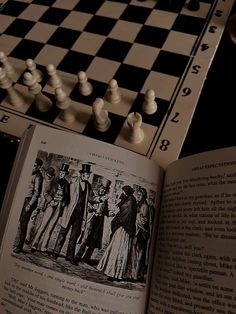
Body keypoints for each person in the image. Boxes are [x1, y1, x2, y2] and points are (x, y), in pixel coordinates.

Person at [51, 164, 94, 265]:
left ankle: (69, 256)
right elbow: (66, 195)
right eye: (86, 174)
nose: (87, 176)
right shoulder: (73, 182)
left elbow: (91, 198)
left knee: (74, 236)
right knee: (63, 232)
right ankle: (55, 252)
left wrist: (99, 199)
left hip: (80, 215)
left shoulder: (88, 186)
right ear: (82, 174)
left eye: (88, 175)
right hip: (70, 211)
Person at [97, 185, 137, 281]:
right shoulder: (128, 199)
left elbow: (125, 214)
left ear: (126, 192)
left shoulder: (130, 200)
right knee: (115, 249)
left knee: (119, 250)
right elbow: (122, 210)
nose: (121, 194)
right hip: (122, 228)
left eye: (123, 192)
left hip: (124, 230)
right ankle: (112, 272)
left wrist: (118, 213)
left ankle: (116, 274)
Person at [75, 177, 111, 265]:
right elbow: (87, 205)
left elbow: (106, 211)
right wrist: (93, 209)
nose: (103, 191)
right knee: (86, 237)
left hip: (99, 221)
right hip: (91, 218)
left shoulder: (105, 199)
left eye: (105, 190)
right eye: (102, 189)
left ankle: (86, 257)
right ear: (99, 188)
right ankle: (78, 256)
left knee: (94, 239)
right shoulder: (93, 194)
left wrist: (110, 213)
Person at [39, 163, 70, 255]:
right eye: (60, 172)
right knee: (43, 225)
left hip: (59, 206)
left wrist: (63, 203)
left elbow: (67, 197)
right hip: (51, 205)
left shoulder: (66, 184)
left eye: (63, 173)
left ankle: (43, 248)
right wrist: (51, 201)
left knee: (51, 228)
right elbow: (46, 193)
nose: (61, 174)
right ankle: (34, 244)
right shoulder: (53, 181)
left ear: (65, 174)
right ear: (59, 172)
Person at [13, 158, 43, 253]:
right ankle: (15, 243)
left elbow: (37, 193)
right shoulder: (29, 172)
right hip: (23, 198)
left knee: (23, 224)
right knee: (18, 222)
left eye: (35, 165)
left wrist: (30, 204)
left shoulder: (38, 177)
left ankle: (20, 246)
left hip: (29, 201)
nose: (32, 167)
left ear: (38, 167)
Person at [29, 166, 57, 251]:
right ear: (45, 174)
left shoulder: (53, 183)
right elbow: (41, 193)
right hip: (39, 205)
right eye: (48, 175)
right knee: (34, 224)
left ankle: (34, 245)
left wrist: (52, 201)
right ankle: (30, 242)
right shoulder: (42, 180)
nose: (49, 176)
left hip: (48, 206)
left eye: (50, 175)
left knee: (42, 226)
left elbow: (48, 193)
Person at [132, 187, 151, 282]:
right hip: (137, 231)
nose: (138, 197)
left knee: (140, 254)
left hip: (141, 232)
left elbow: (144, 220)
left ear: (143, 196)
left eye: (139, 195)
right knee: (135, 253)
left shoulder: (145, 206)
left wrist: (136, 217)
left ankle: (136, 275)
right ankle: (134, 274)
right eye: (137, 195)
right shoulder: (139, 205)